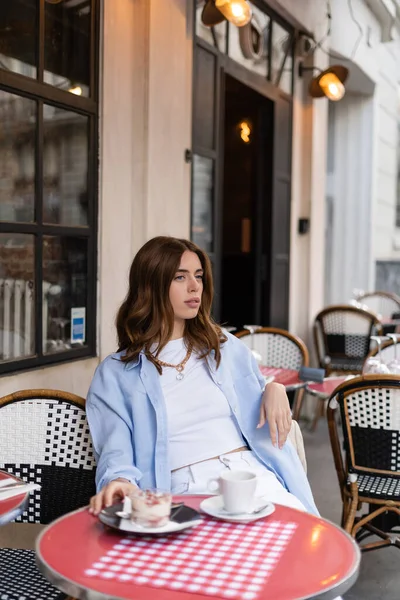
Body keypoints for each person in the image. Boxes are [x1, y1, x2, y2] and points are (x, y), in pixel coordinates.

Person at [87, 236, 318, 516]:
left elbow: (251, 401)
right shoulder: (116, 373)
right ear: (151, 286)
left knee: (297, 542)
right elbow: (115, 447)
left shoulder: (225, 347)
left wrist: (275, 388)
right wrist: (119, 480)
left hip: (251, 476)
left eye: (198, 276)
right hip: (186, 488)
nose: (195, 286)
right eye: (180, 277)